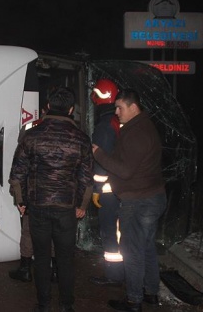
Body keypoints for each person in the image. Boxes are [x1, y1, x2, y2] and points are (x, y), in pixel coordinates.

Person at [9, 86, 93, 312]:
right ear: (71, 109)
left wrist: (21, 201)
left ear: (47, 107)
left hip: (38, 207)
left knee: (42, 258)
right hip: (66, 209)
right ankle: (67, 306)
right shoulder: (82, 139)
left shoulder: (31, 135)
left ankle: (43, 305)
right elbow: (87, 179)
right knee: (65, 259)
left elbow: (16, 175)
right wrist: (82, 206)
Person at [92, 88, 166, 312]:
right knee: (146, 248)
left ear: (133, 107)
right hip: (149, 197)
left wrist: (98, 154)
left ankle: (134, 301)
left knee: (132, 251)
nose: (115, 112)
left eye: (119, 107)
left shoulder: (137, 133)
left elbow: (125, 170)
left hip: (139, 202)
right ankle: (151, 293)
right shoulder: (138, 127)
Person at [9, 107, 59, 284]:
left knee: (28, 231)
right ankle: (54, 271)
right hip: (57, 192)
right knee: (54, 231)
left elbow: (19, 167)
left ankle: (25, 269)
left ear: (46, 109)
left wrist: (19, 198)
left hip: (33, 190)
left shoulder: (31, 128)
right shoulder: (66, 131)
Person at [87, 79, 124, 287]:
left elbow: (99, 160)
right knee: (120, 232)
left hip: (109, 193)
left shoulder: (104, 125)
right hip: (121, 187)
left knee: (110, 233)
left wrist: (96, 189)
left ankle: (114, 275)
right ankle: (123, 272)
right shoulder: (117, 121)